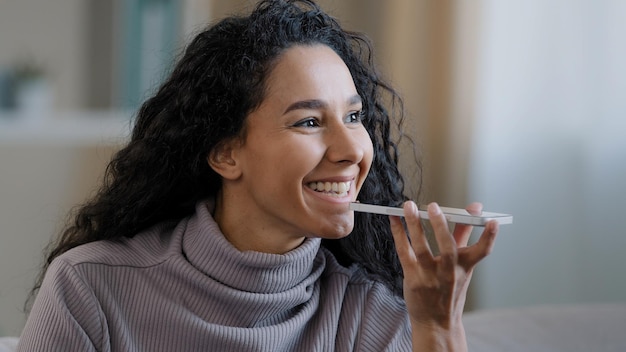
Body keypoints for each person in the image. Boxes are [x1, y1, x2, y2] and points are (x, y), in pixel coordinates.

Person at [18, 0, 498, 351]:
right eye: (309, 122)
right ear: (226, 152)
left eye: (354, 118)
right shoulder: (92, 288)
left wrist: (437, 331)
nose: (353, 149)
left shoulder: (373, 314)